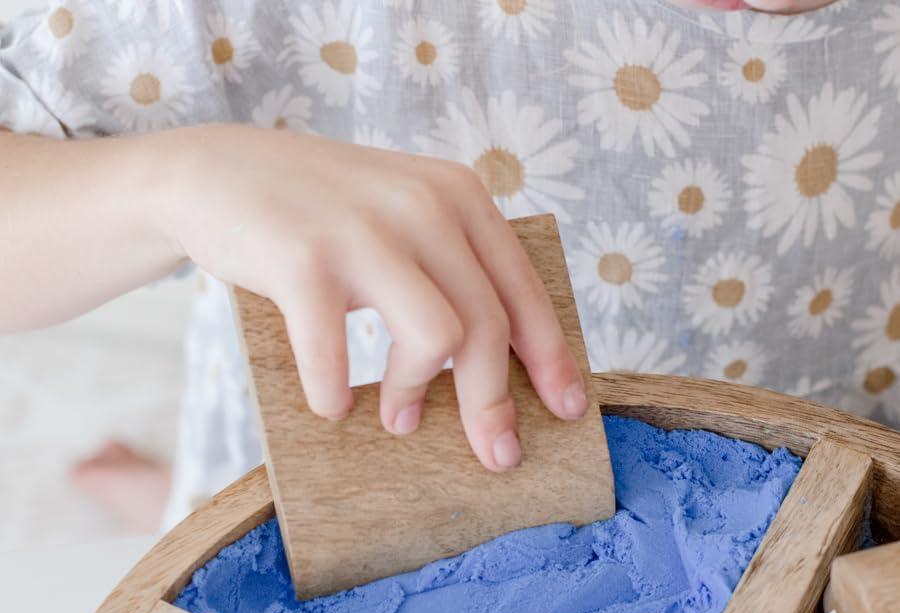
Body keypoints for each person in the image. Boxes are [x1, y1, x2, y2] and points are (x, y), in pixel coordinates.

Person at [1, 0, 887, 532]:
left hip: (837, 430)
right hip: (340, 479)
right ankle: (167, 502)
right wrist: (170, 183)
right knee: (219, 520)